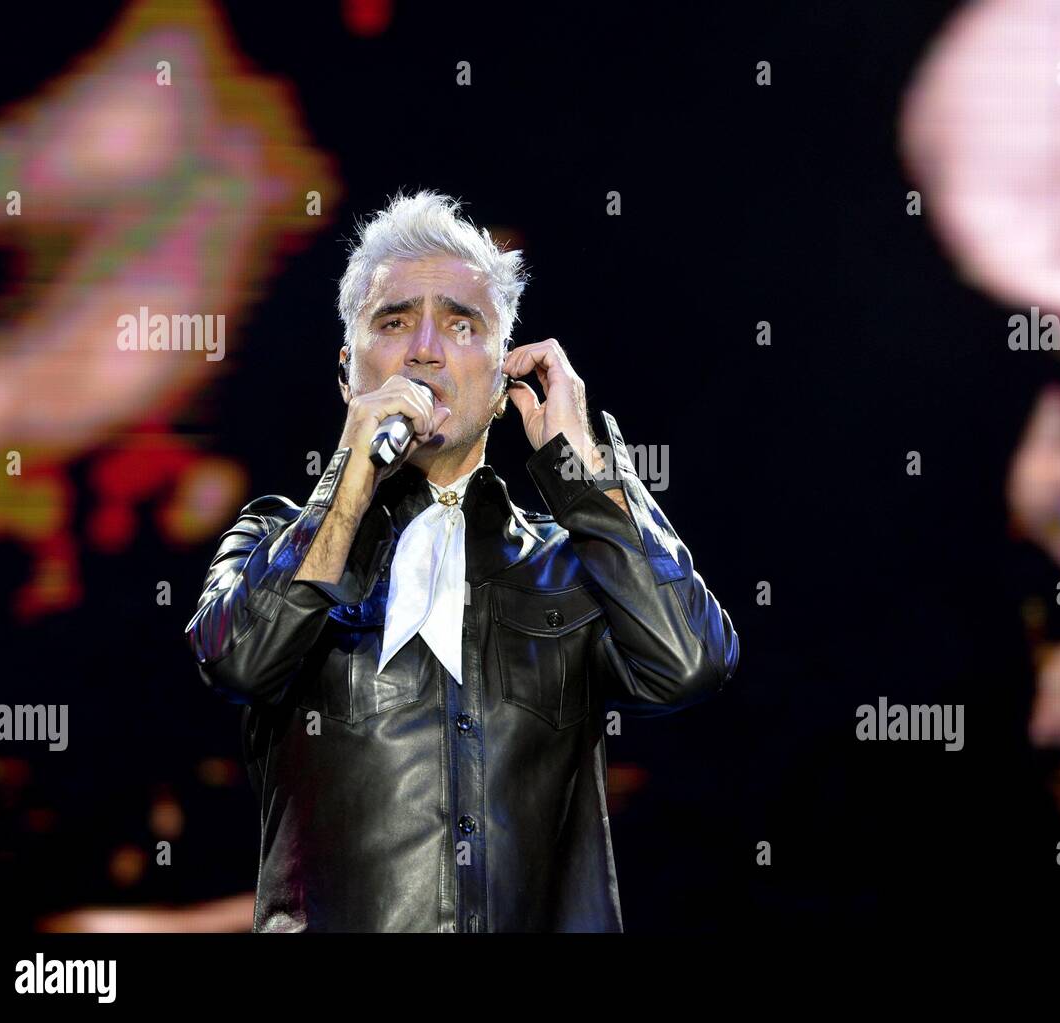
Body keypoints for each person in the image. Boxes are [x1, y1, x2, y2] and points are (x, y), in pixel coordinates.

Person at [183, 189, 740, 932]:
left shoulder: (571, 567)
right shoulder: (272, 538)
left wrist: (581, 468)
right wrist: (349, 476)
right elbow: (239, 657)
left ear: (505, 378)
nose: (424, 347)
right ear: (348, 371)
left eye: (460, 322)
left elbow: (692, 656)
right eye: (393, 320)